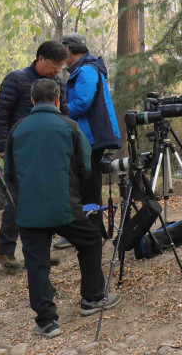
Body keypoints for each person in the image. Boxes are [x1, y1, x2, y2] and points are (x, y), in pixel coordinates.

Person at [4, 79, 122, 338]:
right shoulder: (70, 127)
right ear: (58, 100)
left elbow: (9, 173)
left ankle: (47, 322)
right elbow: (86, 169)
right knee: (91, 240)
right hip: (64, 207)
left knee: (36, 263)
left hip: (28, 212)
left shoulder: (17, 129)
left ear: (32, 101)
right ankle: (92, 298)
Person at [0, 40, 69, 270]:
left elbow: (63, 114)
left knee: (45, 200)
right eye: (55, 64)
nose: (57, 70)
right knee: (16, 200)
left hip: (48, 151)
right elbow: (0, 115)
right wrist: (3, 147)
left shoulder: (59, 84)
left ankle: (38, 252)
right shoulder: (16, 79)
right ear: (40, 58)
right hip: (20, 150)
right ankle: (5, 252)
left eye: (61, 65)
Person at [54, 32, 121, 249]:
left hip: (90, 137)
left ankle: (90, 232)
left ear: (69, 50)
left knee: (87, 186)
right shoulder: (84, 69)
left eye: (63, 52)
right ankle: (89, 230)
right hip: (86, 137)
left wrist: (57, 113)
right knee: (84, 185)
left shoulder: (87, 70)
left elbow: (82, 102)